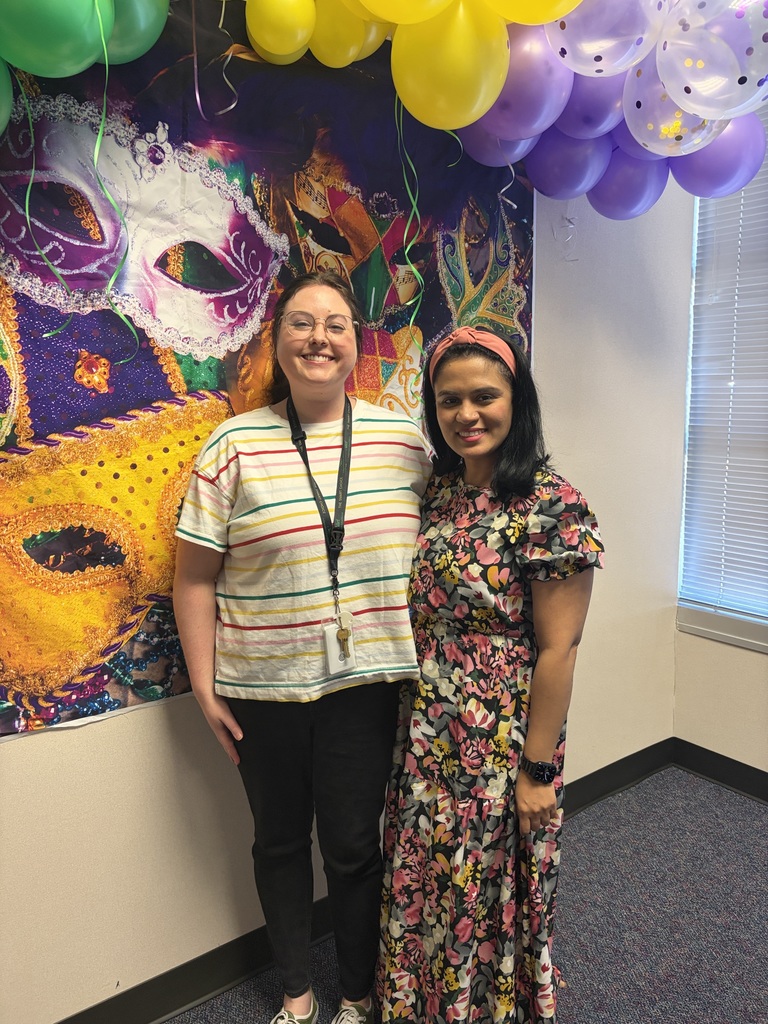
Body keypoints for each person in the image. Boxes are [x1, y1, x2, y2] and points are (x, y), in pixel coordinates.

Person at [173, 270, 432, 1024]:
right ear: (277, 339)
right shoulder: (233, 444)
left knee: (354, 849)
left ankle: (357, 994)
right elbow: (194, 577)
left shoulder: (402, 439)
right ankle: (296, 994)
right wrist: (204, 687)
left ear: (357, 342)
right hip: (263, 689)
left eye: (336, 324)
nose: (319, 338)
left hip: (367, 687)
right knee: (280, 843)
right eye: (301, 323)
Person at [378, 326, 605, 1023]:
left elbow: (559, 649)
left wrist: (536, 771)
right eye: (449, 401)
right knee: (429, 869)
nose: (466, 414)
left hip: (501, 733)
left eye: (484, 396)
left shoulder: (552, 505)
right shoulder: (440, 490)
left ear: (517, 400)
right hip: (427, 725)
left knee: (485, 884)